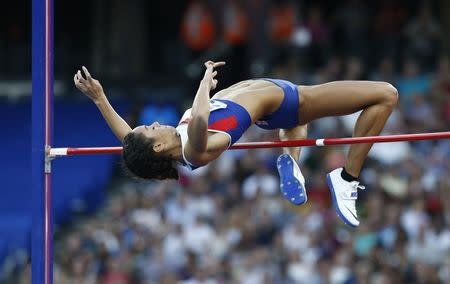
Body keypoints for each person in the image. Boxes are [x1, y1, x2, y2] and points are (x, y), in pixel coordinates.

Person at [74, 61, 398, 227]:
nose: (154, 123)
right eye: (150, 128)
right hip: (285, 100)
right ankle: (348, 178)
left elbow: (130, 140)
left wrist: (101, 99)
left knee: (297, 123)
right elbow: (200, 120)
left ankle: (291, 160)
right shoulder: (193, 149)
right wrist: (205, 83)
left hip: (271, 104)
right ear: (157, 147)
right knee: (386, 94)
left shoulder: (171, 144)